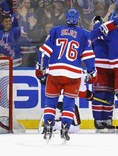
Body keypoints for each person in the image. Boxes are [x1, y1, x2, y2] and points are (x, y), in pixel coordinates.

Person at [35, 9, 97, 142]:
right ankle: (65, 127)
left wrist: (42, 67)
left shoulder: (55, 30)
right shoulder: (83, 34)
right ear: (78, 20)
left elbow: (44, 51)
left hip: (55, 71)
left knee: (51, 101)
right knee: (69, 103)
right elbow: (89, 56)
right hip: (73, 73)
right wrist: (92, 71)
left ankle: (48, 125)